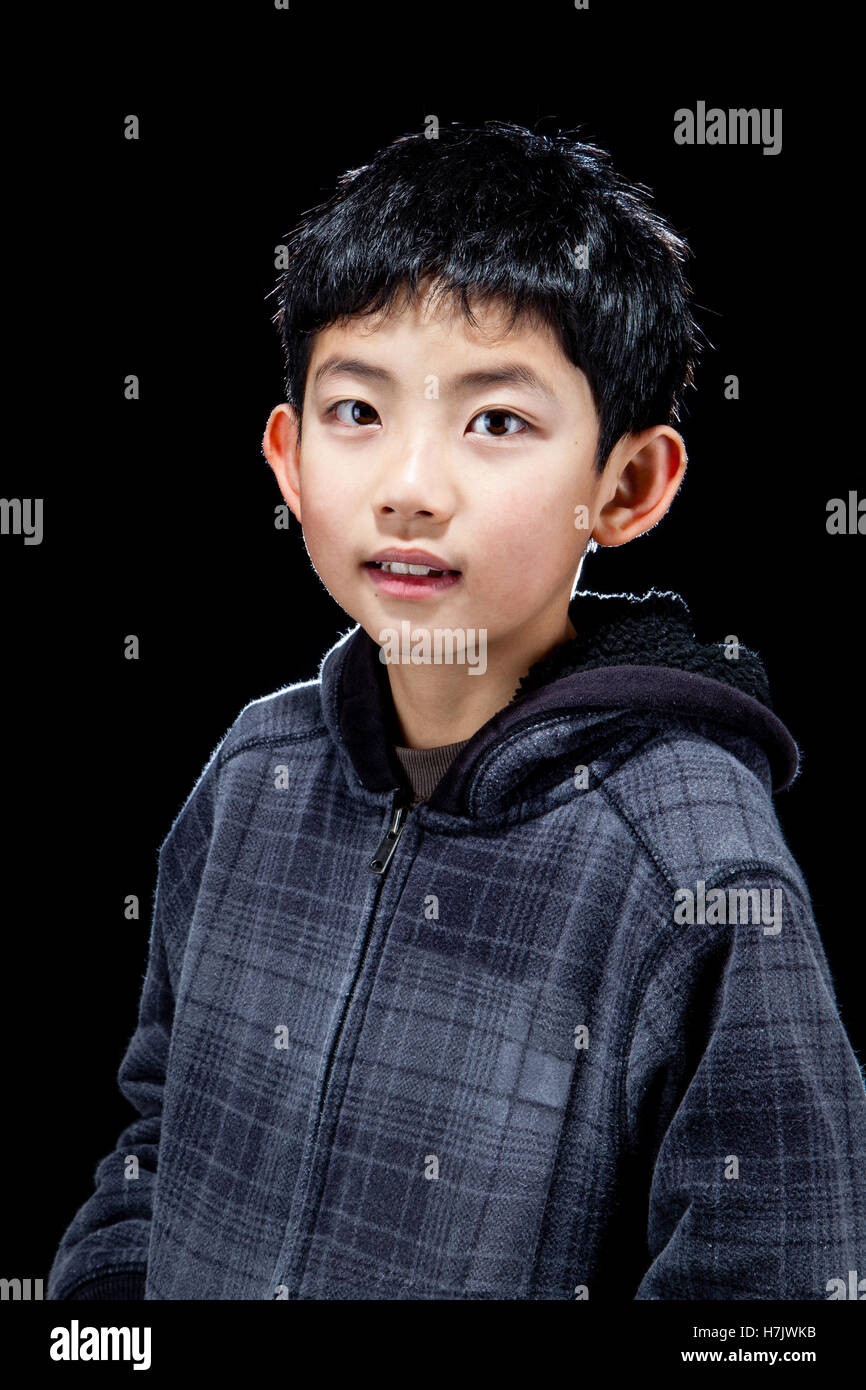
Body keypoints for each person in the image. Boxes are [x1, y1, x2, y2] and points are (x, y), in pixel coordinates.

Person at [48, 120, 866, 1300]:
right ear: (286, 459)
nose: (409, 489)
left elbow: (772, 1298)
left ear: (626, 485)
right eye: (356, 411)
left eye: (495, 422)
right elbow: (157, 1137)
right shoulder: (251, 771)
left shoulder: (692, 858)